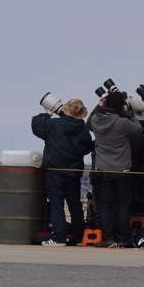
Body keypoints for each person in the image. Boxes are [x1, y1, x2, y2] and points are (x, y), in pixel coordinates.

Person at [31, 98, 94, 246]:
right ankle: (79, 236)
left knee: (56, 204)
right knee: (75, 204)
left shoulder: (53, 125)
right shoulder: (84, 130)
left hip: (54, 171)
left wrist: (47, 114)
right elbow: (87, 148)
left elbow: (36, 124)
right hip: (73, 172)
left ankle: (59, 237)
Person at [87, 91, 143, 247]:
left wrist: (98, 107)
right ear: (121, 106)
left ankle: (108, 237)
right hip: (122, 170)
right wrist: (129, 113)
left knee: (104, 206)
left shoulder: (97, 120)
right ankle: (123, 238)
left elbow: (87, 123)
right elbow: (138, 129)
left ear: (105, 104)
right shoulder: (123, 123)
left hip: (102, 169)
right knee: (123, 205)